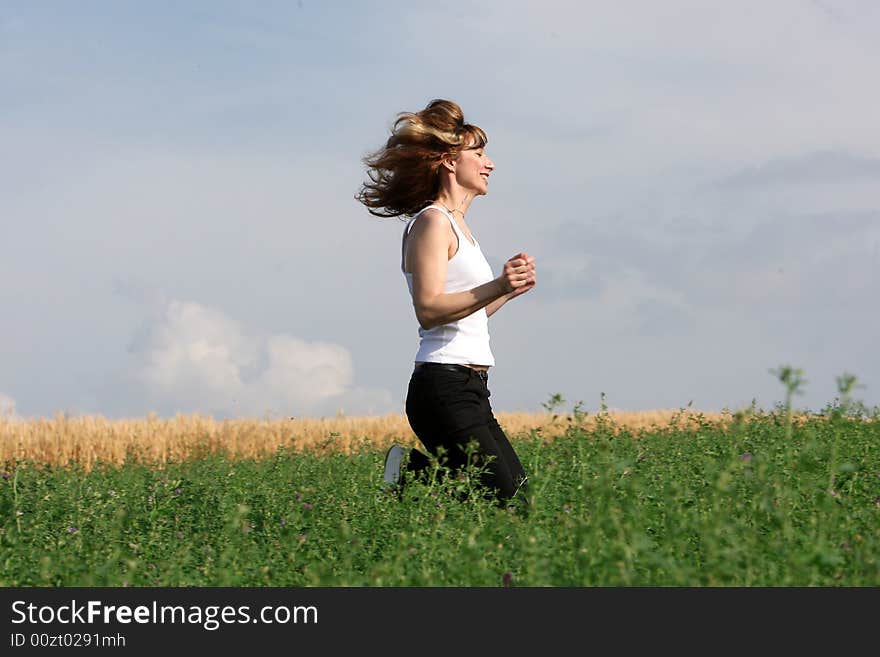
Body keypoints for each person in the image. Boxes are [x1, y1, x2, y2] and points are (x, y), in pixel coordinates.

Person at [356, 99, 536, 507]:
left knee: (519, 502)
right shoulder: (432, 222)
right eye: (479, 153)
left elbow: (465, 314)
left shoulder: (461, 228)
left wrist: (507, 289)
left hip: (471, 387)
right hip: (442, 386)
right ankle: (410, 474)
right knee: (506, 506)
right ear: (450, 161)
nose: (489, 163)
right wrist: (496, 284)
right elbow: (430, 309)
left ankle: (415, 474)